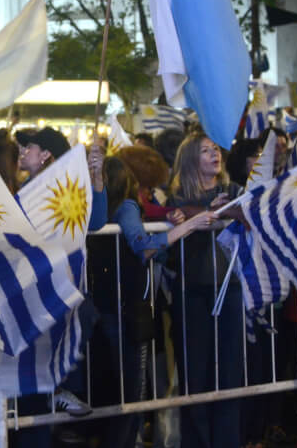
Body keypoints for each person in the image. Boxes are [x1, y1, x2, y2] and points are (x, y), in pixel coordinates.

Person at [89, 156, 215, 448]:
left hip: (106, 306)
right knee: (131, 392)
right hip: (130, 308)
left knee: (113, 389)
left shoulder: (99, 209)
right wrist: (188, 226)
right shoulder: (128, 207)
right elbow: (144, 249)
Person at [167, 131, 244, 448]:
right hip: (192, 292)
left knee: (230, 375)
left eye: (216, 149)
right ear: (189, 160)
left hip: (231, 290)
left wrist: (220, 212)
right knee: (194, 376)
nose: (215, 154)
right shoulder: (174, 197)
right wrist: (203, 213)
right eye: (205, 151)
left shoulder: (234, 189)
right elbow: (175, 221)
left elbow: (249, 211)